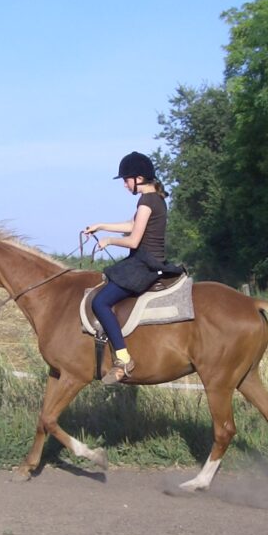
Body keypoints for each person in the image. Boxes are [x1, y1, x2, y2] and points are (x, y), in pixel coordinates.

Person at [84, 151, 177, 384]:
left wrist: (109, 241)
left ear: (139, 178)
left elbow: (134, 240)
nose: (125, 185)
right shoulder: (155, 198)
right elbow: (133, 224)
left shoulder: (147, 201)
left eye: (126, 180)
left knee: (100, 302)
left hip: (144, 264)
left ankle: (123, 358)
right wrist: (101, 226)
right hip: (146, 262)